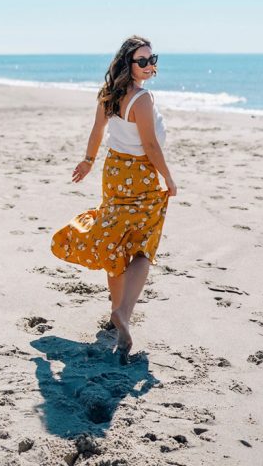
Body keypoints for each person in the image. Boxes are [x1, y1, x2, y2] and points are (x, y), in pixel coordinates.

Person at [50, 35, 177, 362]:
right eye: (142, 61)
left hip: (114, 172)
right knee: (143, 246)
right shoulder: (143, 100)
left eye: (152, 59)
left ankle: (114, 312)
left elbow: (97, 133)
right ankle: (123, 311)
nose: (150, 65)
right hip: (140, 176)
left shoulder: (109, 94)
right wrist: (168, 178)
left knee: (117, 239)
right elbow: (150, 147)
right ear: (128, 64)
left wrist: (89, 160)